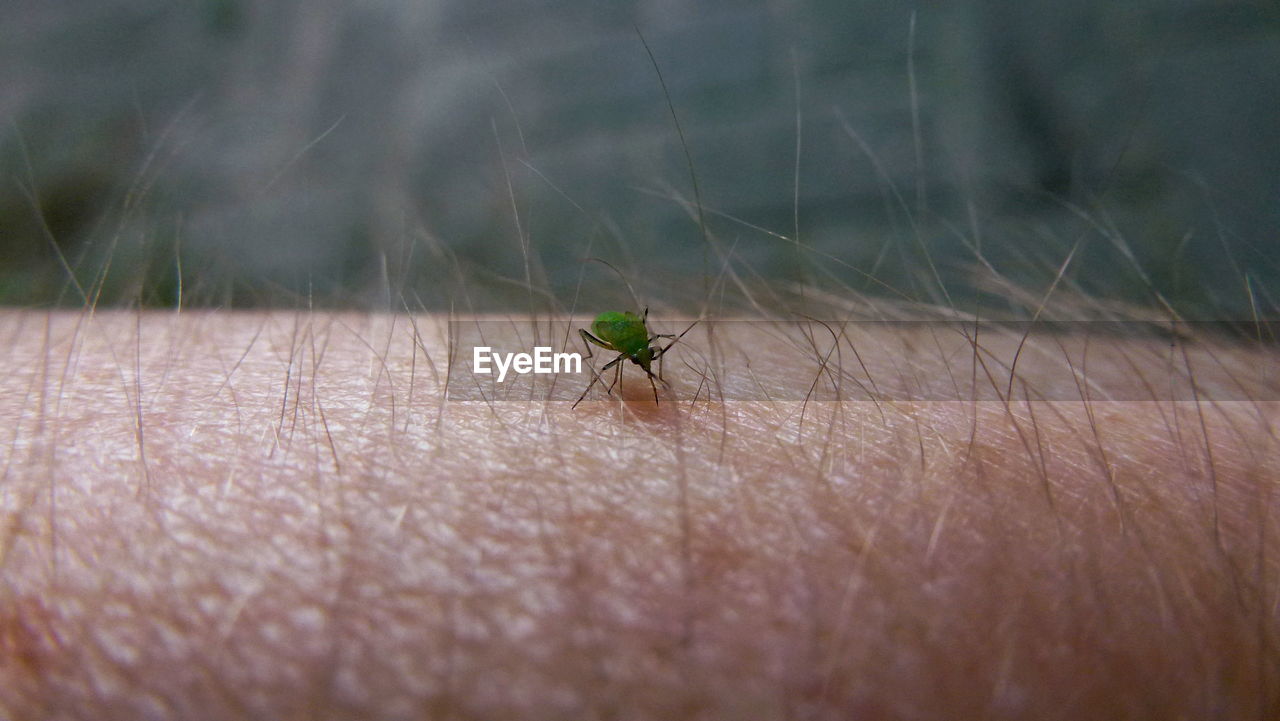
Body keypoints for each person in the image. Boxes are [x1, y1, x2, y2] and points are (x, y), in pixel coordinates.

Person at [1, 307, 1276, 719]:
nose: (642, 372)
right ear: (630, 360)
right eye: (637, 366)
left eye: (641, 364)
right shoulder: (617, 362)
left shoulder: (631, 360)